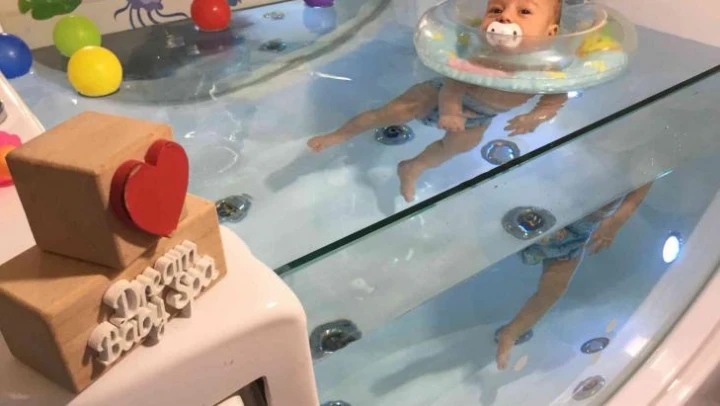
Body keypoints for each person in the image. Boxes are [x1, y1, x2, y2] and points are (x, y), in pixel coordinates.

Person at [308, 0, 567, 202]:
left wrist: (535, 117)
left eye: (525, 12)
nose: (505, 17)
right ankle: (340, 134)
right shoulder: (483, 55)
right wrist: (450, 111)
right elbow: (454, 84)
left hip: (479, 117)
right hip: (437, 96)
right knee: (390, 113)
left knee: (459, 145)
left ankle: (413, 167)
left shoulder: (544, 69)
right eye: (496, 9)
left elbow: (555, 97)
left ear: (551, 32)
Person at [495, 183, 654, 369]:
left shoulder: (643, 168)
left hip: (577, 236)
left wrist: (614, 223)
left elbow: (635, 198)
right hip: (551, 212)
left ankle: (511, 332)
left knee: (554, 289)